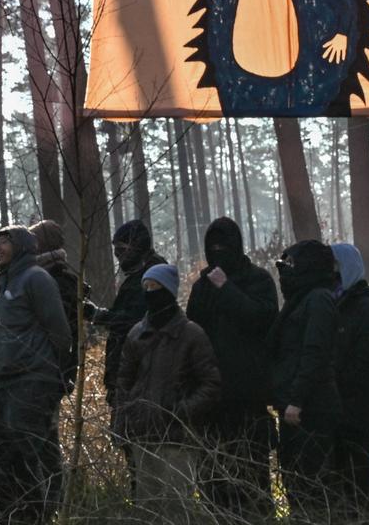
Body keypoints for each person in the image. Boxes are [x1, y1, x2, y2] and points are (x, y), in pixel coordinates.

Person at [185, 216, 278, 517]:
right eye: (212, 247)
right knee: (214, 481)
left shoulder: (259, 280)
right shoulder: (202, 288)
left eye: (223, 246)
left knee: (253, 479)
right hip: (212, 400)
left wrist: (226, 289)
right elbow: (193, 335)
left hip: (249, 398)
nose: (217, 252)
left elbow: (262, 321)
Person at [114, 263, 220, 522]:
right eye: (146, 287)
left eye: (156, 287)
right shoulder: (136, 334)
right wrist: (125, 417)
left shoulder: (192, 334)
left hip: (178, 438)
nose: (149, 292)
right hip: (143, 437)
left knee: (177, 509)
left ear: (169, 291)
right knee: (147, 509)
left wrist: (181, 411)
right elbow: (123, 382)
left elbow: (211, 384)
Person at [0, 225, 72, 519]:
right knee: (34, 451)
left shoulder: (36, 279)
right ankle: (41, 512)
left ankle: (41, 513)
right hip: (10, 380)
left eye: (5, 242)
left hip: (34, 380)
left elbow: (60, 332)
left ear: (22, 246)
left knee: (31, 451)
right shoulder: (5, 283)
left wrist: (56, 375)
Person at [270, 239, 343, 522]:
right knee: (297, 487)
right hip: (296, 409)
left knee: (314, 489)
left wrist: (297, 400)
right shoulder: (300, 301)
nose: (286, 273)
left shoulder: (318, 299)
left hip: (312, 410)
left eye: (292, 266)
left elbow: (315, 353)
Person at [330, 241, 369, 516]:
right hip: (336, 402)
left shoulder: (364, 306)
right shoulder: (331, 301)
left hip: (359, 402)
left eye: (336, 267)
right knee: (340, 473)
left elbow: (367, 358)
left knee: (362, 470)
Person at [101, 219, 168, 422]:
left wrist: (100, 316)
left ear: (136, 246)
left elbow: (135, 320)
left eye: (122, 249)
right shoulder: (138, 276)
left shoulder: (153, 277)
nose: (118, 256)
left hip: (143, 376)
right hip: (130, 375)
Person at [27, 219, 85, 383]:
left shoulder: (57, 281)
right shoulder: (46, 277)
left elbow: (60, 332)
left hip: (49, 372)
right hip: (43, 369)